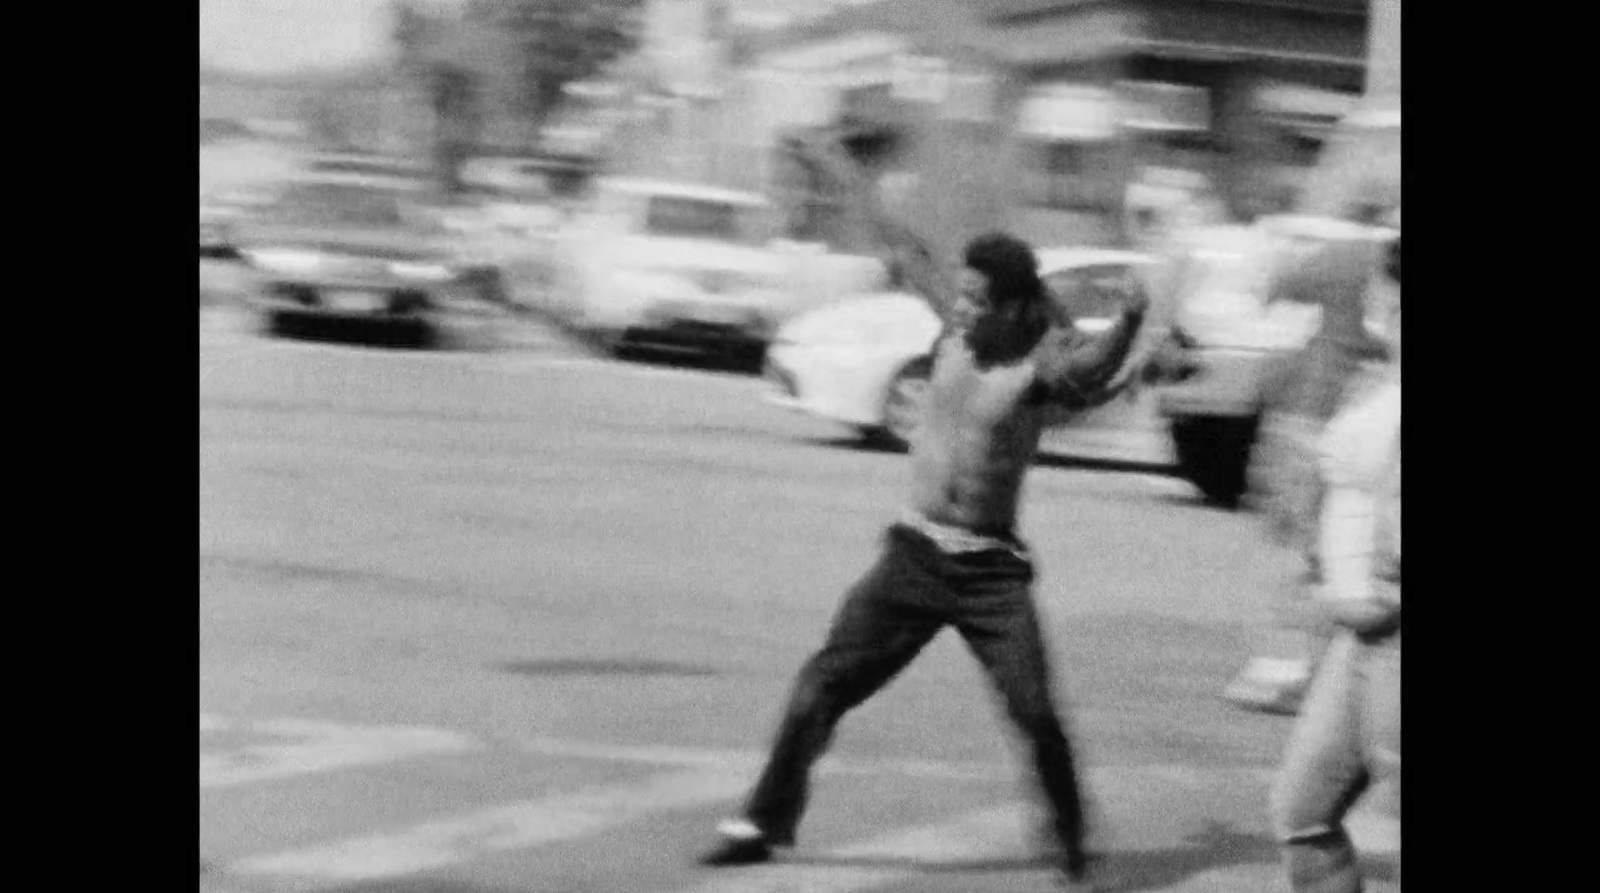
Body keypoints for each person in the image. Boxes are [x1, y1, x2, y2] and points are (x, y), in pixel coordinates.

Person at [697, 130, 1154, 891]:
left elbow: (1091, 366)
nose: (964, 310)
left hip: (990, 574)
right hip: (913, 555)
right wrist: (842, 170)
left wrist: (1132, 323)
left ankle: (1071, 838)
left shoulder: (1036, 363)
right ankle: (763, 821)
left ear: (1014, 307)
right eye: (963, 298)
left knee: (1036, 711)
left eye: (980, 302)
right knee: (821, 685)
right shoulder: (954, 322)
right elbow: (901, 244)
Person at [1269, 225, 1400, 893]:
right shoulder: (1382, 380)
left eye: (1380, 286)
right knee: (1302, 811)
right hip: (1356, 639)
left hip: (1393, 637)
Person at [1224, 212, 1393, 715]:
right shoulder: (1373, 260)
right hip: (1373, 422)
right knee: (1345, 553)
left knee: (1304, 555)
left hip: (1312, 416)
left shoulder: (1347, 253)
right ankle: (1318, 672)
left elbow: (1273, 285)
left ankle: (1296, 672)